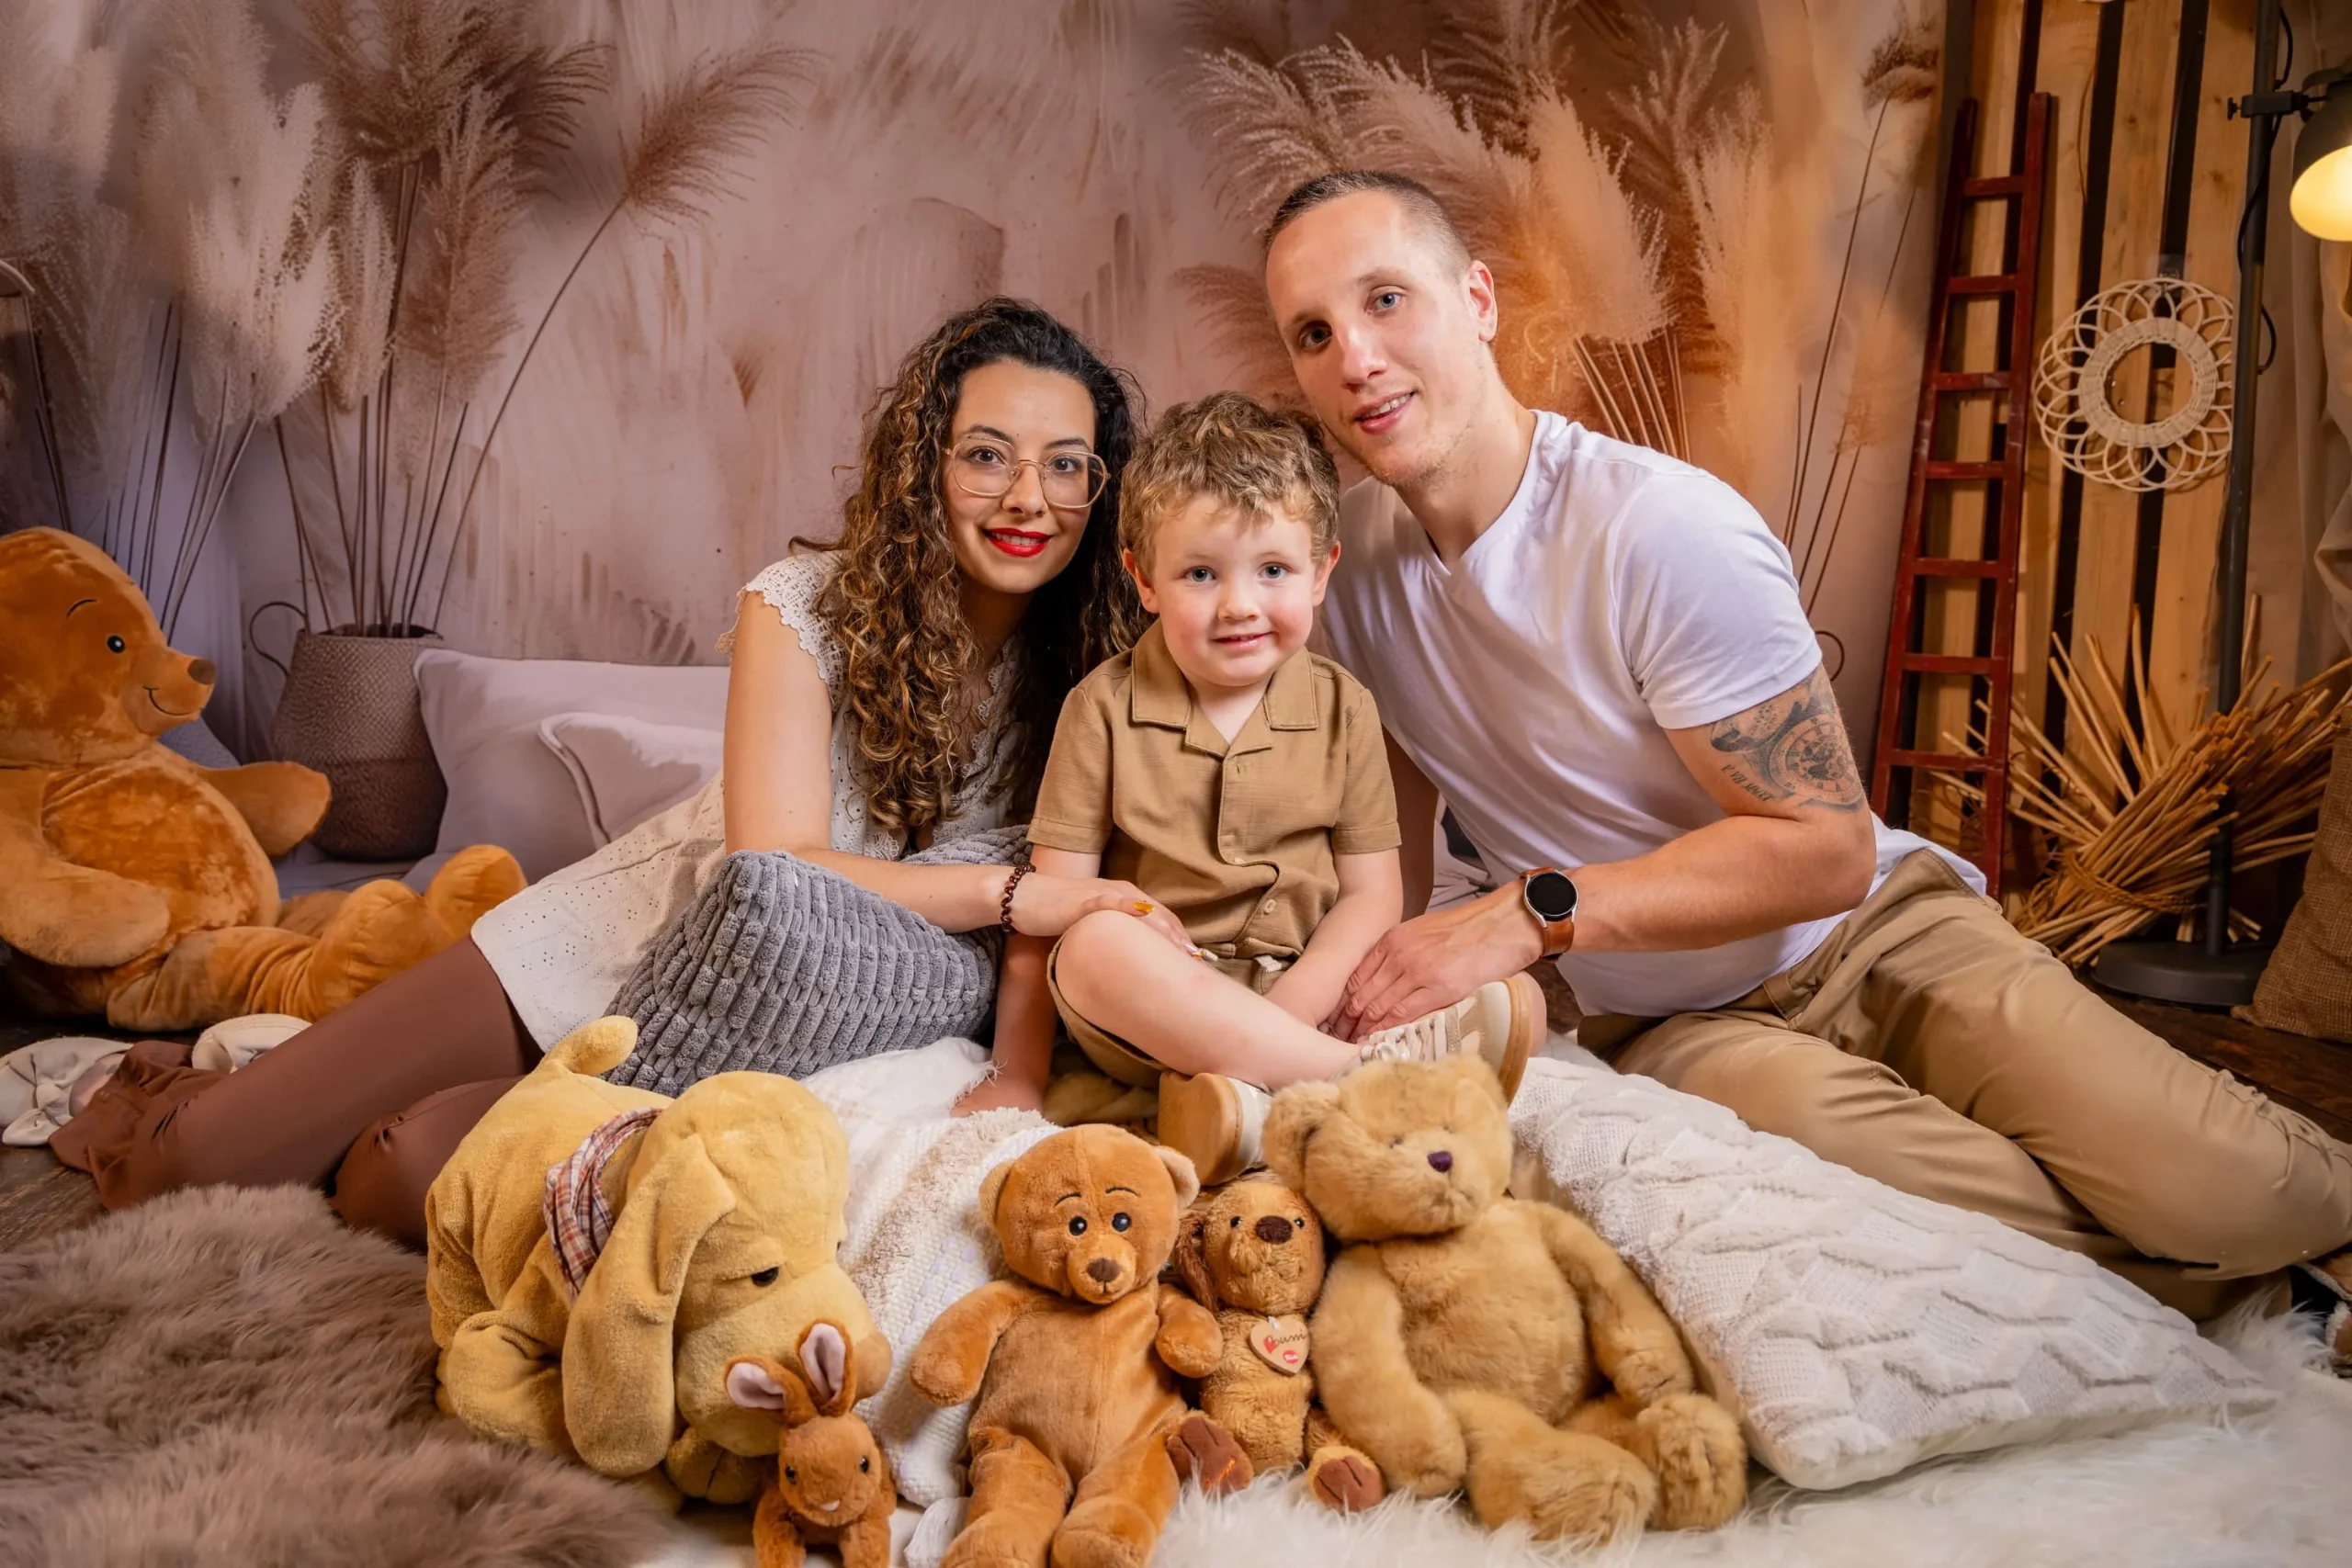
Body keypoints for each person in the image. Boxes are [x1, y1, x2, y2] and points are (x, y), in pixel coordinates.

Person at [1258, 167, 2352, 1324]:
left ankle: (2271, 1239)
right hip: (1671, 1020)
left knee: (2230, 1193)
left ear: (1476, 299)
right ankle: (2255, 1296)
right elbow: (1396, 848)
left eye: (1387, 301)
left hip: (1871, 932)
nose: (1355, 359)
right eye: (1314, 333)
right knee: (1888, 1205)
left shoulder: (1654, 529)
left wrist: (1525, 912)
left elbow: (1822, 852)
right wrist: (1313, 1019)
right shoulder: (1348, 570)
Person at [56, 299, 1183, 1242]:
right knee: (190, 1167)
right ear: (926, 463)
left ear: (1102, 488)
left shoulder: (1106, 675)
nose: (1026, 498)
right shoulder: (804, 607)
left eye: (1065, 466)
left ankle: (324, 1100)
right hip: (627, 933)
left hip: (769, 1025)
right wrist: (1011, 893)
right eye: (986, 455)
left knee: (395, 1182)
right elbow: (774, 862)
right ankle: (176, 1089)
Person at [1004, 390, 1543, 1185]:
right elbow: (1056, 903)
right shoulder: (1103, 707)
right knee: (1092, 944)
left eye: (1273, 570)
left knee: (1514, 991)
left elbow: (1370, 896)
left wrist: (1285, 1008)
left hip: (1303, 979)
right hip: (1152, 1006)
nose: (1239, 606)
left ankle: (1241, 1100)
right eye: (1199, 573)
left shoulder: (1344, 706)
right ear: (1143, 579)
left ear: (1321, 571)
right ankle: (1363, 1081)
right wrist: (1014, 1072)